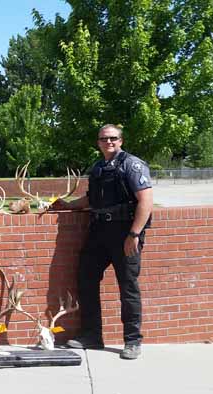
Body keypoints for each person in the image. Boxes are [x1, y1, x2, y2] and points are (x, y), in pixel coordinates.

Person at [51, 124, 153, 360]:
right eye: (104, 138)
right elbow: (91, 198)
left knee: (128, 287)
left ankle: (132, 341)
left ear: (121, 140)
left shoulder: (132, 164)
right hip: (98, 231)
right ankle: (92, 336)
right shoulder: (98, 168)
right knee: (85, 278)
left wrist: (134, 234)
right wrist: (67, 206)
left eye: (113, 138)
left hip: (125, 232)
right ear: (98, 142)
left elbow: (145, 201)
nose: (109, 142)